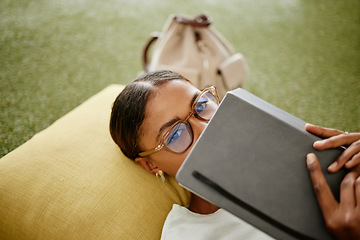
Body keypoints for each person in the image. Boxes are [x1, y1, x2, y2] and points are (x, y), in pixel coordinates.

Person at [109, 70, 360, 240]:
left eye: (201, 106)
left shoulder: (285, 145)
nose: (206, 128)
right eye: (175, 135)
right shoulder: (186, 234)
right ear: (151, 165)